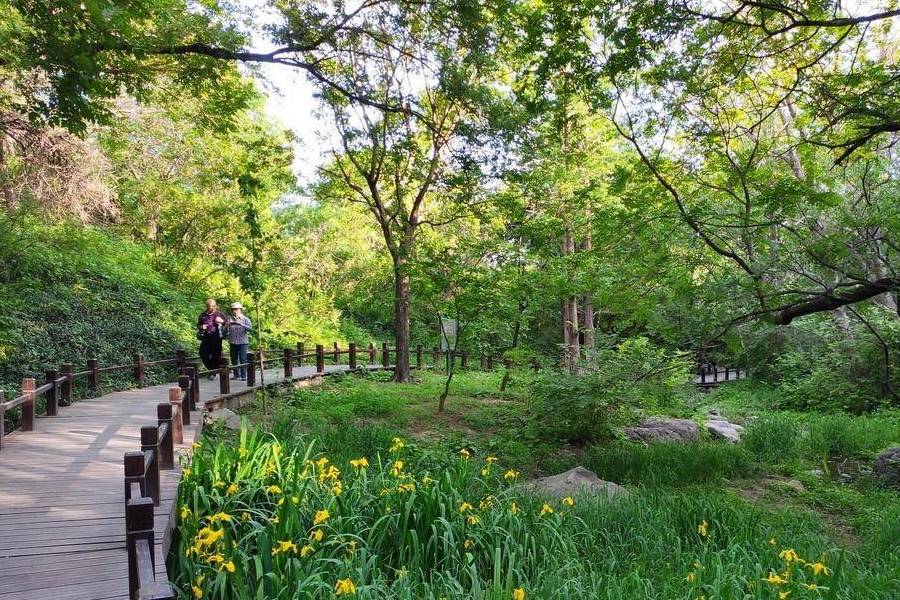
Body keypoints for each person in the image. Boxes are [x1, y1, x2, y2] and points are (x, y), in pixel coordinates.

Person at [197, 299, 227, 379]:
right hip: (206, 337)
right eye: (210, 306)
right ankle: (212, 370)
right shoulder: (203, 315)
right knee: (203, 354)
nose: (213, 308)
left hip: (216, 337)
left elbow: (228, 324)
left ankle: (213, 373)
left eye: (214, 306)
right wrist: (201, 327)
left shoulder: (220, 314)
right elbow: (198, 325)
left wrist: (222, 321)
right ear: (207, 306)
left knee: (215, 356)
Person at [225, 302, 252, 381]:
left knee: (243, 358)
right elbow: (225, 330)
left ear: (240, 310)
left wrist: (241, 324)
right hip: (233, 341)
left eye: (236, 309)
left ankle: (244, 376)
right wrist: (227, 324)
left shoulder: (245, 319)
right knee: (234, 359)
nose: (235, 311)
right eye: (233, 309)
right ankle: (236, 375)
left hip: (243, 342)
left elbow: (250, 329)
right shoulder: (229, 319)